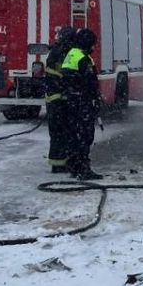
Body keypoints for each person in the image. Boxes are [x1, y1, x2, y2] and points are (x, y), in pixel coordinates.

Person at [46, 28, 103, 179]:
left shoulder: (71, 54)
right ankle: (83, 169)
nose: (93, 47)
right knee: (84, 136)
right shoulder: (82, 57)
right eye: (92, 44)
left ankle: (74, 166)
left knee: (72, 135)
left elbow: (68, 79)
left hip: (72, 102)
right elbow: (88, 82)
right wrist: (94, 99)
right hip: (81, 103)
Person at [45, 26, 77, 173]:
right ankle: (61, 163)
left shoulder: (56, 51)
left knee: (57, 133)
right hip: (59, 99)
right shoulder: (64, 52)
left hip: (54, 99)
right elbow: (60, 75)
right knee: (63, 131)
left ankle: (58, 163)